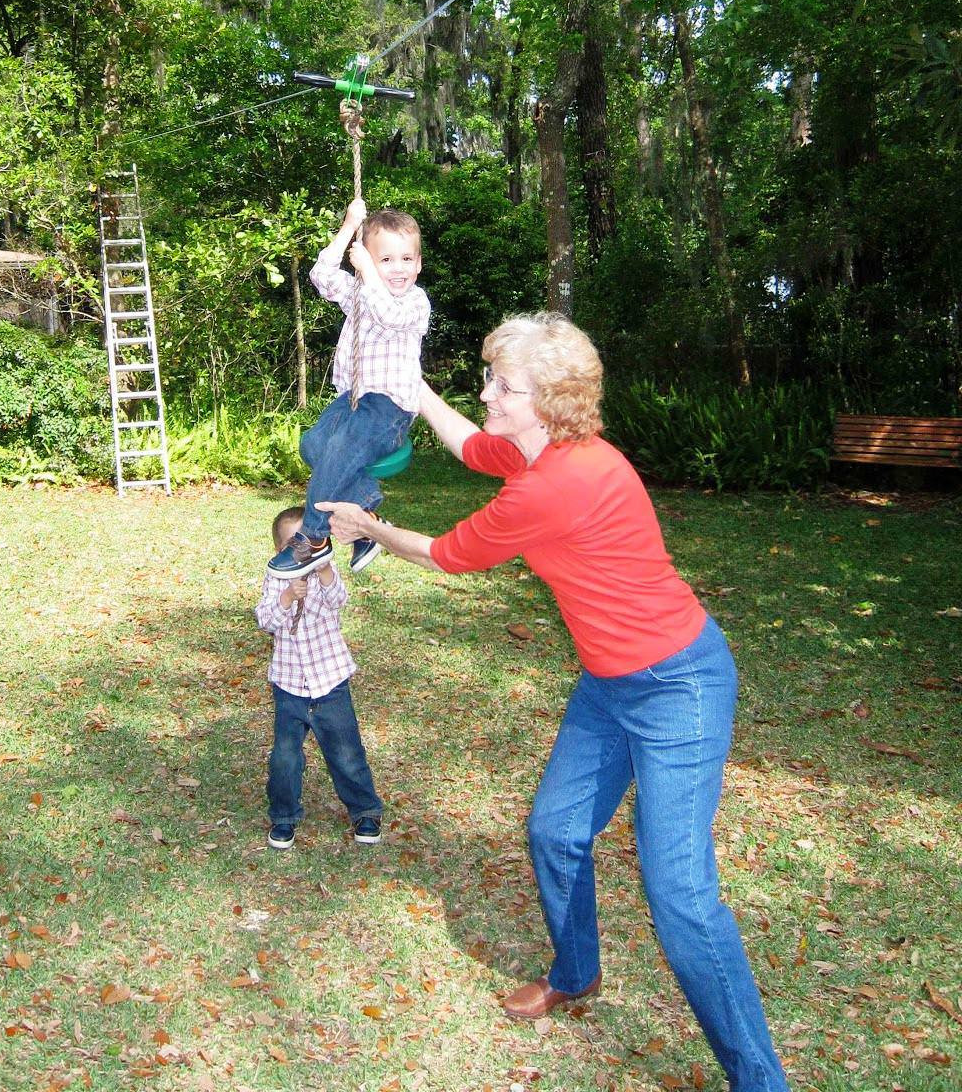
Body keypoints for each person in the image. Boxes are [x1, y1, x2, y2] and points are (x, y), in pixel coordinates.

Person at [317, 314, 789, 1092]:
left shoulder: (561, 481)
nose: (490, 393)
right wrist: (419, 391)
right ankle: (577, 972)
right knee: (556, 829)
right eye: (491, 379)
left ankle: (761, 1080)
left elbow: (447, 555)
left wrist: (370, 525)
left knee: (680, 897)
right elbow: (475, 446)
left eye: (506, 386)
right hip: (609, 683)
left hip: (680, 686)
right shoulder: (543, 446)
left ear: (551, 401)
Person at [267, 199, 430, 579]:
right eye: (386, 259)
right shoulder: (360, 290)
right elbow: (322, 276)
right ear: (368, 261)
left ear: (419, 264)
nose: (398, 268)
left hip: (388, 410)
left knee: (339, 449)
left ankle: (314, 537)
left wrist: (369, 274)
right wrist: (348, 228)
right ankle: (367, 512)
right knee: (313, 445)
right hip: (352, 401)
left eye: (407, 259)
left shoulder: (414, 302)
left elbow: (388, 315)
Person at [255, 504, 383, 850]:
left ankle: (365, 810)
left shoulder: (324, 569)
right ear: (281, 551)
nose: (302, 549)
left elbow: (338, 599)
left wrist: (324, 570)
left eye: (308, 540)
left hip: (330, 682)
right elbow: (265, 619)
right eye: (292, 544)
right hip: (290, 684)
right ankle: (283, 817)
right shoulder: (276, 577)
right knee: (285, 756)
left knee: (346, 752)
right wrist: (285, 597)